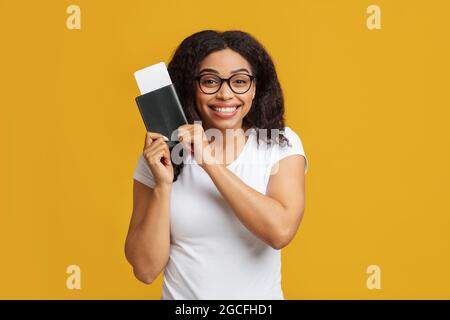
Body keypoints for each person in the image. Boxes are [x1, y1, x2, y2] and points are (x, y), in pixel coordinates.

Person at [125, 30, 308, 300]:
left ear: (255, 88)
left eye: (239, 81)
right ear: (190, 86)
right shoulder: (159, 157)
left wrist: (209, 161)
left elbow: (279, 231)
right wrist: (163, 186)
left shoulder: (279, 144)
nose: (225, 94)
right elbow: (145, 269)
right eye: (210, 81)